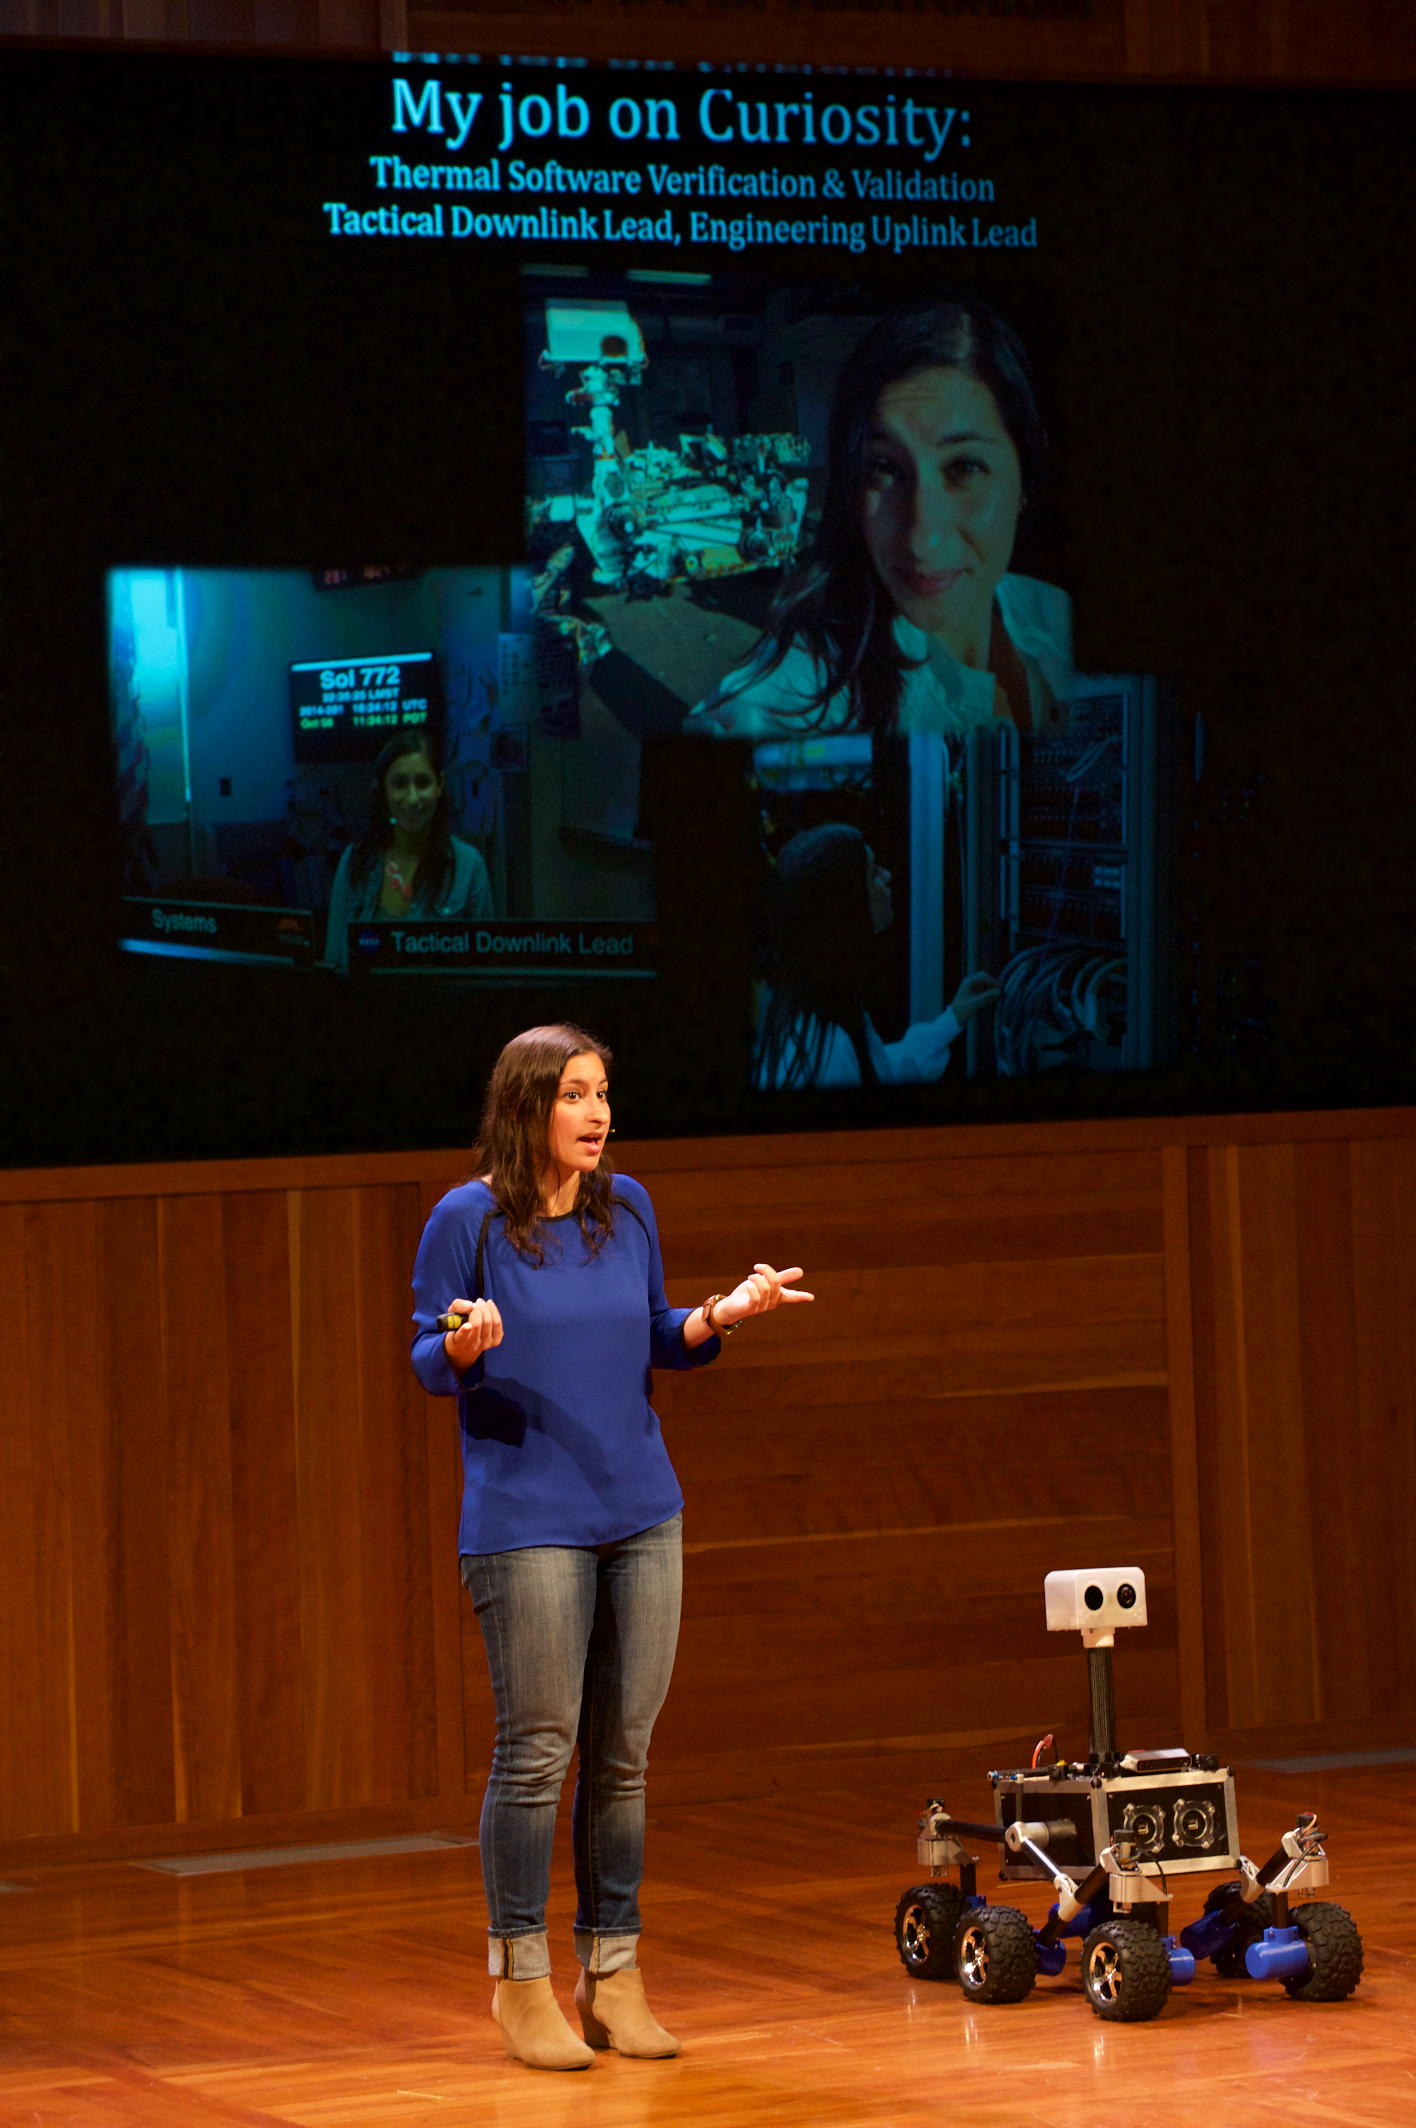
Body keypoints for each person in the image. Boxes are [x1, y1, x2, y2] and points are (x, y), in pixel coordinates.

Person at [409, 1025, 813, 2072]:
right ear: (527, 1104)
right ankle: (520, 1979)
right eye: (576, 1095)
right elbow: (426, 1353)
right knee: (538, 1751)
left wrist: (718, 1314)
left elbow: (651, 1331)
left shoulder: (625, 1207)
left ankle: (615, 1973)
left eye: (603, 1095)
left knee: (622, 1756)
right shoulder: (467, 1219)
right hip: (526, 1520)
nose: (597, 1114)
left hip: (641, 1509)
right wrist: (462, 1343)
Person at [684, 296, 1072, 741]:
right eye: (885, 468)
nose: (922, 538)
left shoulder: (1053, 616)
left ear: (1027, 475)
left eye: (965, 467)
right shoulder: (799, 697)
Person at [756, 822, 997, 1088]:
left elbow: (882, 1070)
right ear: (845, 907)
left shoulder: (827, 1012)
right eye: (873, 874)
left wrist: (951, 1019)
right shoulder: (828, 1055)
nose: (887, 876)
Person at [323, 727, 493, 970]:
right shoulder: (354, 861)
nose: (413, 798)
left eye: (423, 782)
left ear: (440, 785)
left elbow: (483, 968)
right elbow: (334, 964)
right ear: (383, 789)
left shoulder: (468, 865)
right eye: (400, 784)